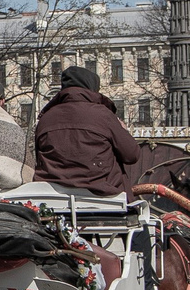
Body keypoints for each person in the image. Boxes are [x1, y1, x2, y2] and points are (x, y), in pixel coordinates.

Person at [33, 64, 143, 194]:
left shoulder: (46, 118)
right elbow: (132, 155)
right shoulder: (103, 115)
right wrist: (122, 130)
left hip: (53, 197)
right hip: (101, 197)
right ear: (92, 88)